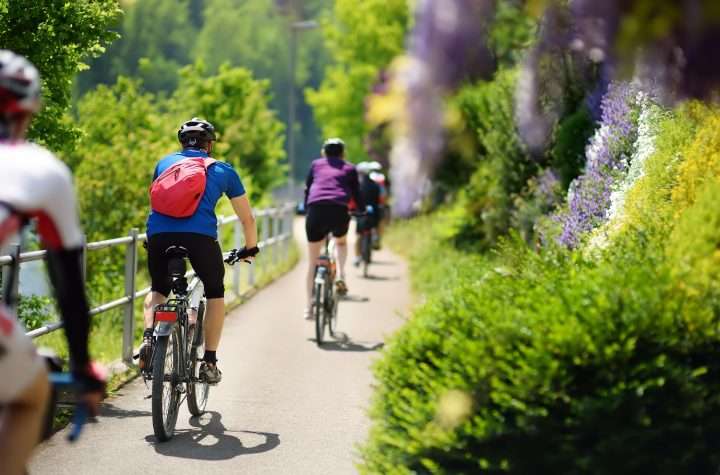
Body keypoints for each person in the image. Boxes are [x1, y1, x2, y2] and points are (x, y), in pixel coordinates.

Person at [0, 50, 105, 475]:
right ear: (29, 108)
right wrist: (84, 366)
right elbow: (68, 286)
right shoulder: (40, 167)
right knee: (32, 395)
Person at [140, 118, 258, 385]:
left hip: (159, 235)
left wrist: (154, 237)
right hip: (200, 239)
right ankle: (209, 362)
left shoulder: (164, 164)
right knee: (215, 291)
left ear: (182, 143)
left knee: (157, 289)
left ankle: (148, 336)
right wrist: (250, 248)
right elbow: (247, 219)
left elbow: (157, 204)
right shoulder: (223, 170)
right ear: (210, 144)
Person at [303, 138, 364, 319]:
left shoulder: (315, 165)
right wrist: (361, 210)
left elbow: (308, 188)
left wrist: (306, 207)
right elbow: (356, 192)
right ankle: (341, 274)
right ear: (343, 154)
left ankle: (309, 308)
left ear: (324, 153)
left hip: (316, 211)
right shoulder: (350, 168)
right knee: (341, 242)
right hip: (339, 211)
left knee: (312, 262)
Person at [353, 162, 382, 266]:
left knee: (358, 235)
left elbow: (354, 200)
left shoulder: (358, 186)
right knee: (377, 223)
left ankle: (356, 257)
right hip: (374, 213)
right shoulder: (375, 185)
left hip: (361, 213)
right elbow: (379, 200)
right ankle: (376, 238)